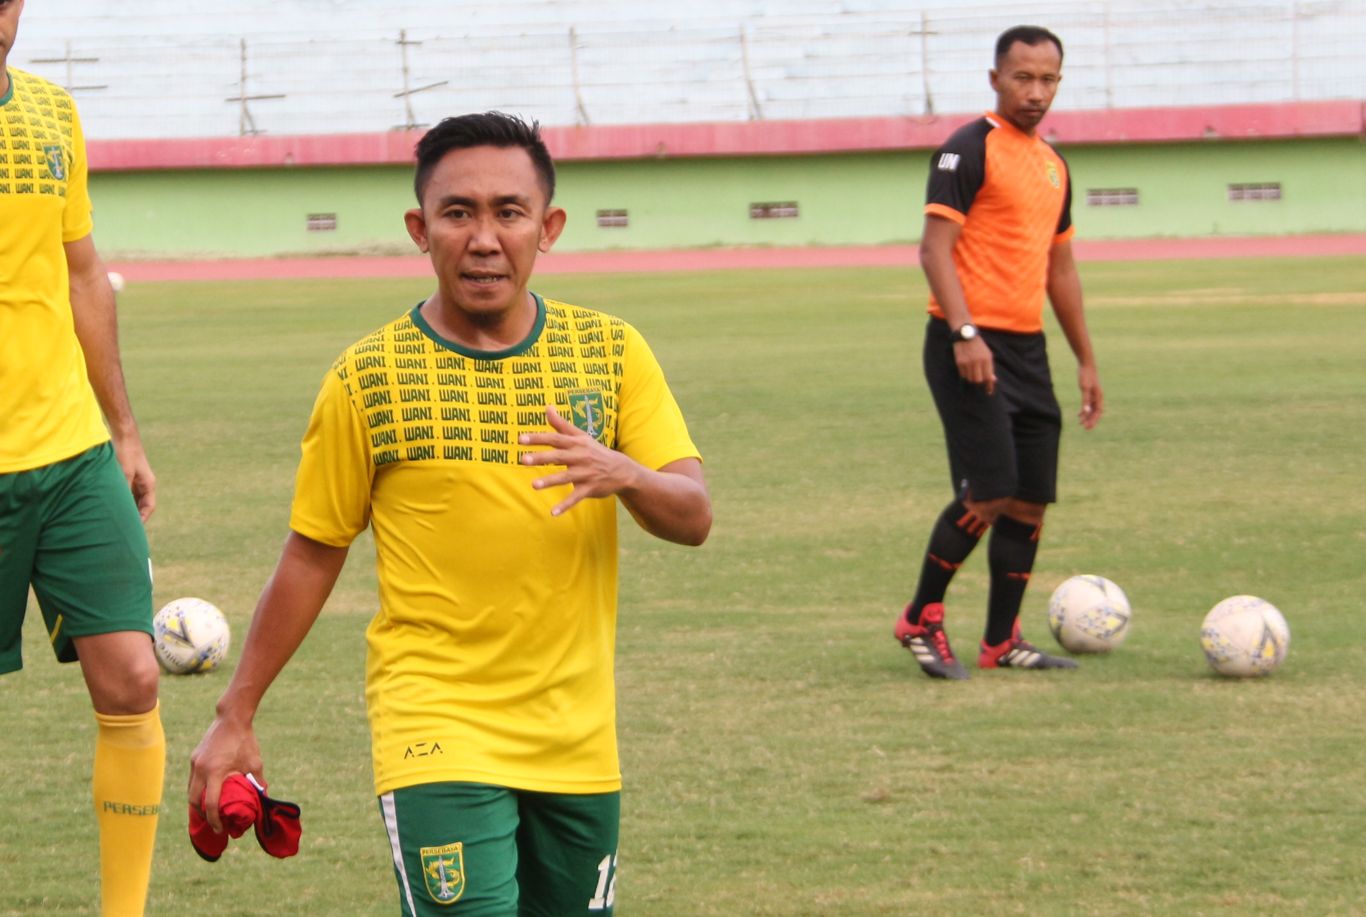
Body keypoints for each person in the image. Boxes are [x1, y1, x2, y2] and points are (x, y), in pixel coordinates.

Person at [189, 111, 712, 915]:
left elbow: (693, 513)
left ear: (550, 226)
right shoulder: (368, 377)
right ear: (419, 228)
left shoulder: (610, 351)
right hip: (434, 725)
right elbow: (313, 551)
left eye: (509, 211)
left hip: (577, 738)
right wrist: (237, 710)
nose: (484, 237)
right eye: (457, 212)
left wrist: (626, 474)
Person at [0, 0, 165, 913]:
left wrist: (124, 431)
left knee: (135, 676)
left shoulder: (53, 112)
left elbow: (79, 272)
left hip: (68, 453)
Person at [895, 25, 1103, 680]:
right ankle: (920, 616)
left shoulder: (1053, 165)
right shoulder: (967, 148)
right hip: (965, 345)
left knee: (1029, 498)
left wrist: (1086, 359)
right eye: (1023, 77)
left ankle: (1000, 638)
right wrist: (963, 333)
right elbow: (934, 249)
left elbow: (1060, 270)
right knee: (988, 490)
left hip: (1026, 349)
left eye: (1048, 79)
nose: (1035, 91)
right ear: (995, 79)